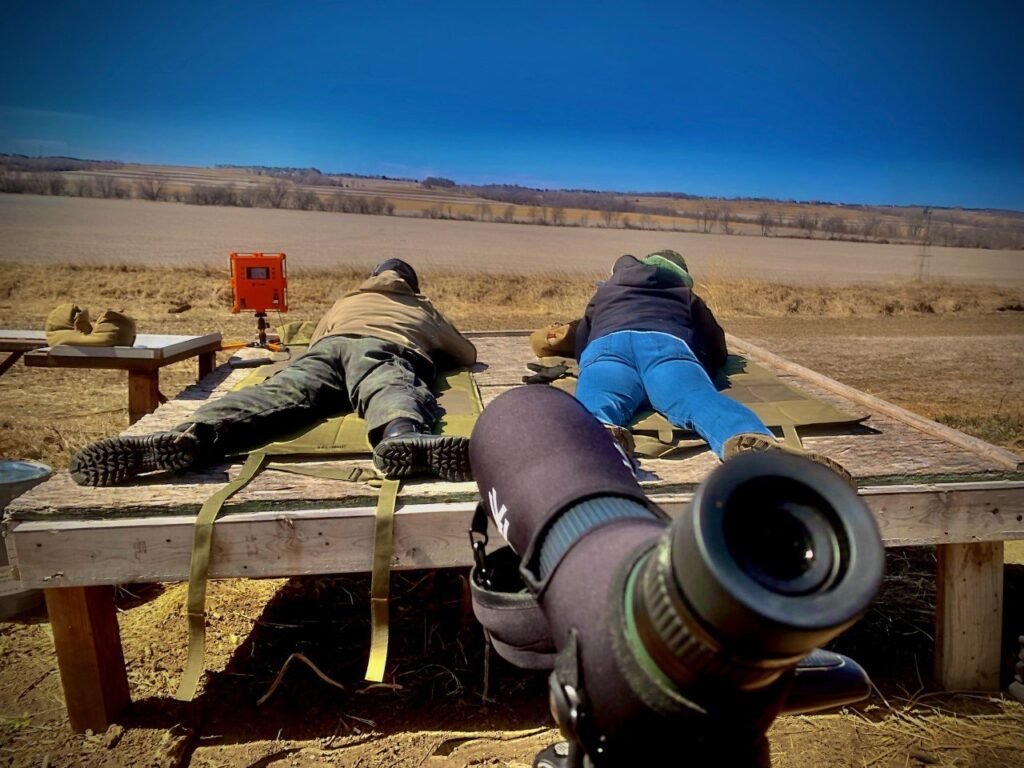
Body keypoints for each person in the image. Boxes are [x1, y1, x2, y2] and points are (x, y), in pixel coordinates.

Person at [69, 259, 477, 486]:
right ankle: (402, 436)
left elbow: (317, 340)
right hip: (383, 348)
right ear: (411, 284)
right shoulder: (420, 307)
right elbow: (464, 352)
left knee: (281, 392)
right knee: (387, 383)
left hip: (328, 350)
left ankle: (192, 435)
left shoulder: (345, 301)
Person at [574, 249, 852, 481]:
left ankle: (596, 438)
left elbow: (582, 335)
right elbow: (714, 341)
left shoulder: (607, 290)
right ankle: (744, 438)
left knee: (595, 403)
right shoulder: (683, 293)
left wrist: (586, 361)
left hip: (607, 347)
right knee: (698, 400)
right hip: (666, 345)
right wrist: (706, 366)